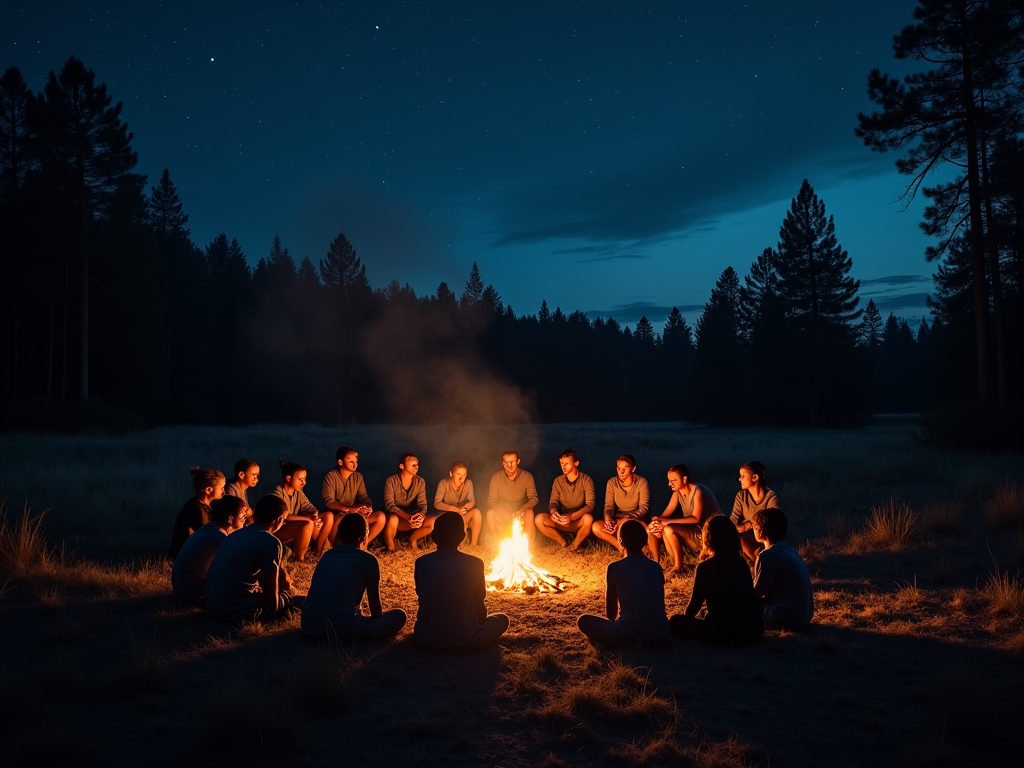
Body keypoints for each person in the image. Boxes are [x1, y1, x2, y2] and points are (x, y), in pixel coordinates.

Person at [301, 512, 408, 642]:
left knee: (305, 600)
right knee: (400, 615)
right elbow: (376, 611)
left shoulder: (327, 555)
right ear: (363, 537)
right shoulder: (368, 559)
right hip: (346, 632)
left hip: (309, 628)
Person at [413, 512, 510, 652]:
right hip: (467, 642)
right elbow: (480, 609)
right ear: (463, 536)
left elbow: (422, 598)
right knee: (502, 619)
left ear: (433, 536)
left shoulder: (421, 563)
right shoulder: (475, 564)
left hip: (426, 639)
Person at [205, 494, 304, 622]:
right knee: (294, 596)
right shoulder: (270, 542)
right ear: (279, 520)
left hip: (212, 607)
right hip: (237, 611)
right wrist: (286, 594)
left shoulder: (233, 535)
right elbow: (270, 599)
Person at [669, 516, 764, 646]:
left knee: (675, 621)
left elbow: (693, 608)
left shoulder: (705, 567)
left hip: (724, 631)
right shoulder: (741, 563)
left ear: (708, 539)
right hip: (753, 630)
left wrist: (689, 619)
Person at [577, 520, 670, 647]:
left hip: (628, 634)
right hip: (660, 635)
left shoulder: (615, 568)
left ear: (621, 541)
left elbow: (611, 615)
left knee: (583, 620)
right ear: (645, 540)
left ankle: (624, 640)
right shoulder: (656, 567)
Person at [172, 495, 250, 605]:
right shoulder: (218, 537)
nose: (245, 520)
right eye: (243, 516)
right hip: (194, 594)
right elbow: (239, 567)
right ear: (230, 519)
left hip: (184, 591)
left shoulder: (209, 529)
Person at [649, 464, 722, 572]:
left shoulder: (698, 491)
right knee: (654, 528)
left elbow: (695, 518)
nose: (669, 484)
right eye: (669, 480)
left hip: (708, 532)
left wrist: (665, 522)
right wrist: (656, 522)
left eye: (673, 480)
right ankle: (656, 563)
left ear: (684, 479)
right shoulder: (677, 494)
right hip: (693, 529)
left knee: (669, 528)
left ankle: (678, 567)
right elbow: (664, 516)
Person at [752, 508, 814, 630]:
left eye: (753, 526)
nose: (752, 530)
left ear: (760, 530)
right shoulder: (791, 550)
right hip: (804, 616)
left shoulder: (767, 555)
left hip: (785, 618)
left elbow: (756, 594)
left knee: (740, 611)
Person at [322, 445, 387, 548]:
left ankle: (363, 544)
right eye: (351, 461)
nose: (355, 464)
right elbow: (329, 502)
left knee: (381, 517)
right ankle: (331, 545)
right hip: (338, 514)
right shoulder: (330, 476)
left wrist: (367, 506)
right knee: (339, 517)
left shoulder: (358, 476)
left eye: (355, 461)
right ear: (340, 462)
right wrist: (350, 509)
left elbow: (364, 497)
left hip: (354, 513)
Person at [535, 449, 595, 552]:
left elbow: (590, 505)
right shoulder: (558, 481)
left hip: (577, 520)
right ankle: (562, 542)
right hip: (562, 520)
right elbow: (553, 501)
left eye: (566, 463)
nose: (563, 466)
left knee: (588, 518)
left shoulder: (586, 480)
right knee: (539, 519)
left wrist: (572, 517)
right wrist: (554, 512)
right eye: (562, 463)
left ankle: (574, 545)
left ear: (576, 463)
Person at [272, 460, 330, 560]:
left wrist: (314, 516)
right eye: (300, 479)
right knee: (308, 523)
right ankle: (299, 557)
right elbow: (285, 515)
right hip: (279, 530)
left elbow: (311, 508)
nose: (304, 482)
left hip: (295, 526)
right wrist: (308, 519)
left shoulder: (298, 493)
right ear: (288, 478)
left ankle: (318, 550)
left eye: (305, 479)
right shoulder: (278, 494)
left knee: (328, 515)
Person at [593, 455, 650, 553]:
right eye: (619, 468)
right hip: (618, 519)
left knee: (643, 529)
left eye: (625, 468)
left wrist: (630, 517)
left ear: (633, 469)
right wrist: (608, 519)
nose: (621, 472)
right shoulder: (612, 483)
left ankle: (637, 549)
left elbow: (644, 507)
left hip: (636, 519)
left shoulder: (642, 482)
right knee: (596, 526)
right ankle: (621, 547)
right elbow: (609, 506)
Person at [169, 467, 226, 560]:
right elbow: (207, 536)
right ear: (208, 490)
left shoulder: (208, 504)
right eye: (221, 488)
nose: (224, 492)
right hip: (186, 555)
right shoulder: (197, 509)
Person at [485, 450, 539, 545]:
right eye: (506, 462)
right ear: (503, 463)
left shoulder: (527, 476)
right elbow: (491, 500)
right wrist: (503, 512)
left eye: (512, 462)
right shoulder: (497, 477)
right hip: (503, 511)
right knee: (490, 513)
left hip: (520, 512)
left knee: (529, 512)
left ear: (518, 461)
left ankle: (528, 545)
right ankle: (499, 544)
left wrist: (521, 510)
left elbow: (534, 498)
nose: (509, 465)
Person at [383, 453, 434, 551]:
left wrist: (420, 515)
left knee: (433, 521)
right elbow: (390, 505)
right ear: (401, 466)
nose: (416, 467)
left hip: (414, 519)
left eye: (417, 464)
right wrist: (408, 517)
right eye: (413, 465)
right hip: (399, 520)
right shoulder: (391, 481)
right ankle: (390, 546)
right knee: (392, 518)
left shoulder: (420, 481)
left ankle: (413, 539)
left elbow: (423, 504)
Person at [731, 461, 779, 561]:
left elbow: (772, 522)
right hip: (743, 534)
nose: (740, 479)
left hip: (762, 535)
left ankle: (757, 564)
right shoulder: (741, 496)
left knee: (740, 540)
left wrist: (748, 525)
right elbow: (733, 520)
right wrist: (738, 527)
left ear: (755, 478)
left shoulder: (771, 497)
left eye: (743, 476)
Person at [433, 461, 483, 547]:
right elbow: (437, 503)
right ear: (451, 473)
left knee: (476, 512)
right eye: (458, 474)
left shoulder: (468, 483)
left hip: (463, 514)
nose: (462, 478)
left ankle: (473, 545)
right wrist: (456, 510)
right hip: (448, 517)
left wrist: (464, 508)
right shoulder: (443, 484)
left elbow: (472, 501)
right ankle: (455, 545)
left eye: (464, 475)